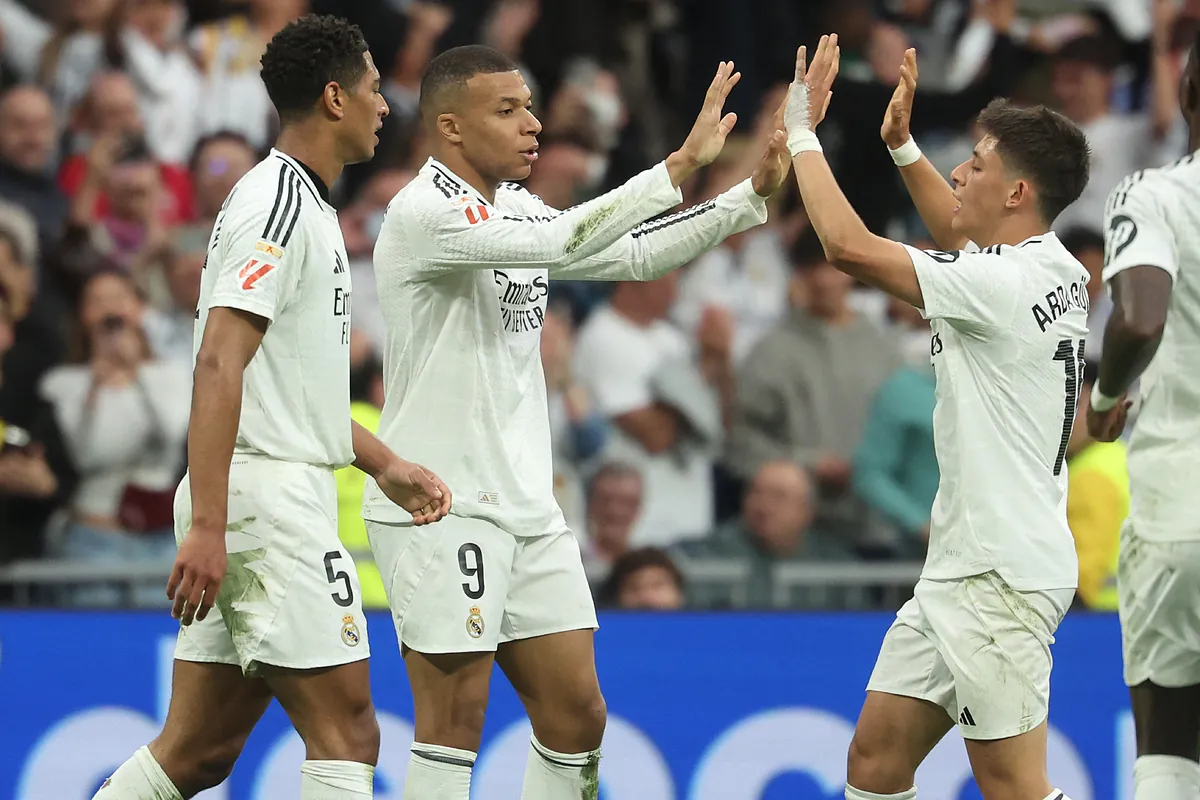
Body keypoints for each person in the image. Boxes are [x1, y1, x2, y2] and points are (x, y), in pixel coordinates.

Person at [366, 44, 792, 800]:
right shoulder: (423, 211)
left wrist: (744, 198)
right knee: (454, 721)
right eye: (508, 110)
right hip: (440, 500)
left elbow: (633, 255)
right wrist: (678, 166)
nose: (532, 124)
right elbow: (560, 242)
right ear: (450, 126)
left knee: (578, 717)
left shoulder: (517, 207)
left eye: (530, 107)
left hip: (528, 504)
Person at [94, 15, 451, 800]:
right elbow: (219, 361)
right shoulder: (278, 204)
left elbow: (291, 391)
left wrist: (383, 463)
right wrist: (212, 524)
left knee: (199, 752)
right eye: (372, 90)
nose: (384, 106)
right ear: (334, 98)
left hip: (255, 493)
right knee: (349, 734)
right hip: (263, 501)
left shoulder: (304, 205)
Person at [783, 39, 1091, 800]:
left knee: (1013, 785)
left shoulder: (999, 284)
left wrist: (800, 132)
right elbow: (959, 236)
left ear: (1017, 193)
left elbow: (847, 248)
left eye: (976, 165)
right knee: (875, 762)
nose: (958, 173)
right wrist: (902, 147)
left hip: (998, 574)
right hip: (966, 567)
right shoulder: (1056, 268)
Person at [1087, 32, 1200, 800]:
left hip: (1178, 508)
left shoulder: (1153, 195)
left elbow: (1137, 318)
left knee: (1167, 744)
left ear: (1187, 96)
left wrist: (1103, 400)